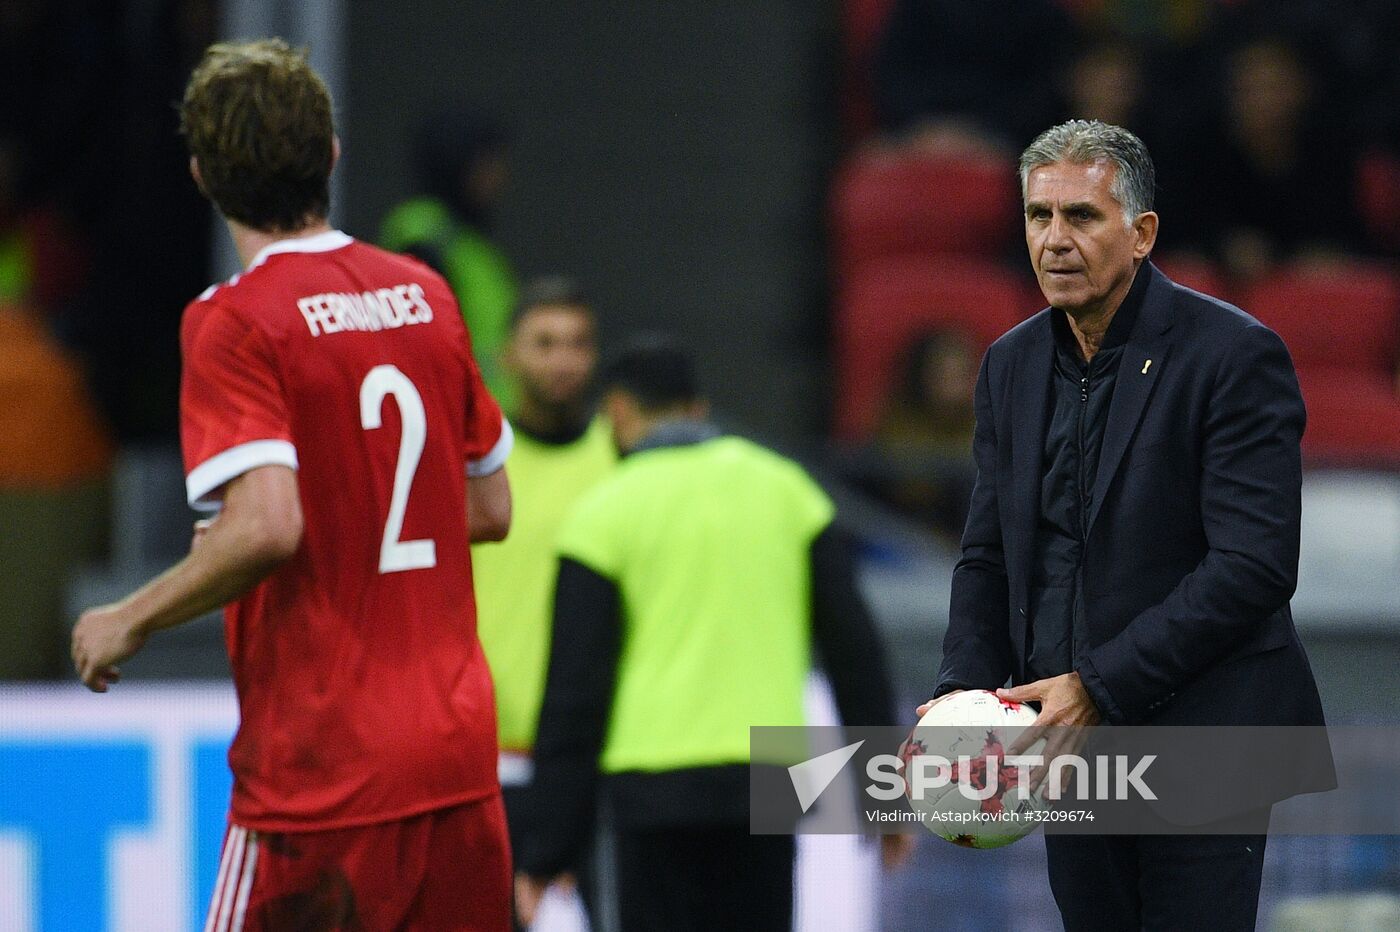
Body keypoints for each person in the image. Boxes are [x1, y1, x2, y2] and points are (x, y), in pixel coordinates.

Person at [69, 40, 515, 930]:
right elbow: (489, 508)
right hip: (457, 771)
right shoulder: (424, 293)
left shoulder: (234, 321)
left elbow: (269, 526)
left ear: (201, 174)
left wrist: (129, 616)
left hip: (324, 785)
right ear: (333, 154)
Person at [919, 120, 1333, 930]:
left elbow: (1252, 565)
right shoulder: (1009, 364)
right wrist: (961, 697)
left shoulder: (1233, 356)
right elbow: (989, 556)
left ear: (1142, 233)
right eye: (1039, 218)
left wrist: (1096, 688)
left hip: (1207, 740)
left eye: (1082, 217)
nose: (1055, 241)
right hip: (1076, 754)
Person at [513, 338, 903, 931]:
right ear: (698, 409)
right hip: (770, 779)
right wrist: (885, 801)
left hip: (650, 787)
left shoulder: (601, 515)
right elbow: (856, 653)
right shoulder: (788, 490)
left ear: (616, 412)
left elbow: (575, 690)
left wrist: (548, 849)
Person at [468, 276, 614, 923]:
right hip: (485, 763)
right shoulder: (471, 464)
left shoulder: (624, 460)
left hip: (597, 765)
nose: (563, 360)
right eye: (545, 343)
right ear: (508, 355)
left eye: (578, 344)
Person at [381, 104, 517, 409]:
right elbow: (422, 345)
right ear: (458, 163)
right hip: (457, 422)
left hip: (489, 421)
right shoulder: (424, 236)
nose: (499, 175)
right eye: (488, 162)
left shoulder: (469, 241)